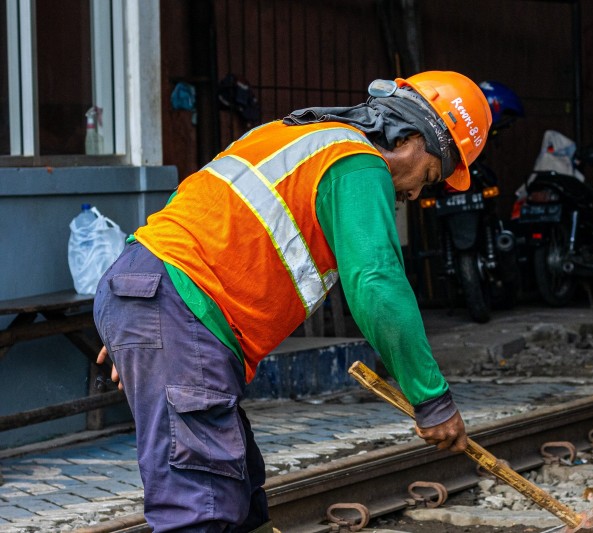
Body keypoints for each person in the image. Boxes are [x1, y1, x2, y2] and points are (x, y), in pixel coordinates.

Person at [93, 70, 492, 532]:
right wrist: (432, 399)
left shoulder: (291, 133)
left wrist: (140, 326)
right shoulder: (358, 164)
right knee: (203, 505)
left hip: (148, 287)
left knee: (238, 494)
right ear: (412, 137)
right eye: (428, 175)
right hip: (177, 302)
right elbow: (377, 284)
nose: (416, 192)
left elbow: (196, 212)